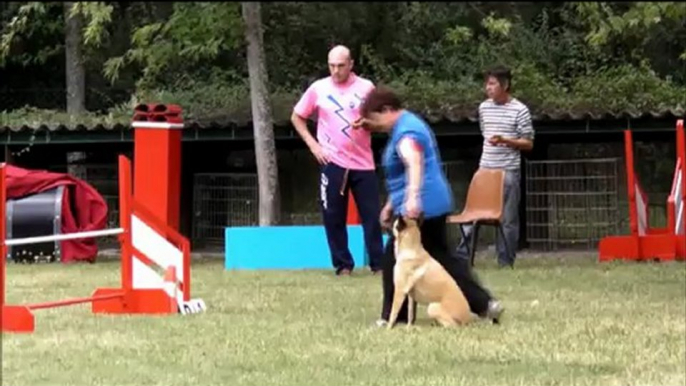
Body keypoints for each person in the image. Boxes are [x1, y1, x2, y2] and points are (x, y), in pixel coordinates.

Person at [353, 86, 504, 325]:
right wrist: (392, 204)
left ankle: (395, 318)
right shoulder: (407, 125)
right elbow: (401, 173)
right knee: (442, 258)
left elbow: (413, 162)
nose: (375, 126)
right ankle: (485, 304)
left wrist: (412, 198)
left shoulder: (406, 131)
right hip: (430, 202)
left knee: (395, 259)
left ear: (387, 110)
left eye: (375, 120)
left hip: (423, 207)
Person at [290, 45, 384, 276]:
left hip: (363, 162)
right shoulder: (318, 89)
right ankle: (343, 264)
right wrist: (314, 146)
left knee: (372, 216)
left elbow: (381, 120)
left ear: (351, 64)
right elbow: (297, 116)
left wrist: (368, 124)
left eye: (341, 66)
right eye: (331, 65)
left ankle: (379, 264)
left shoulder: (366, 87)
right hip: (332, 161)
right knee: (333, 215)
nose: (335, 71)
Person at [456, 65, 535, 268]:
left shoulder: (520, 110)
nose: (488, 88)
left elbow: (528, 142)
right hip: (485, 168)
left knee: (508, 219)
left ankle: (505, 261)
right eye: (487, 84)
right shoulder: (484, 108)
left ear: (505, 85)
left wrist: (506, 141)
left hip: (507, 170)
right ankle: (461, 258)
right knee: (472, 215)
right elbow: (485, 132)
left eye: (492, 84)